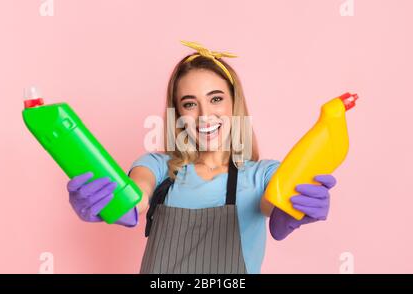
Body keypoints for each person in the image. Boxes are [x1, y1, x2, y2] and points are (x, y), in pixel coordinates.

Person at [66, 41, 337, 274]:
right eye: (190, 103)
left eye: (216, 99)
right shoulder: (159, 167)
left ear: (235, 104)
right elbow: (136, 198)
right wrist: (107, 202)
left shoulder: (263, 175)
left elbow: (276, 209)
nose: (205, 115)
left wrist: (294, 212)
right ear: (179, 114)